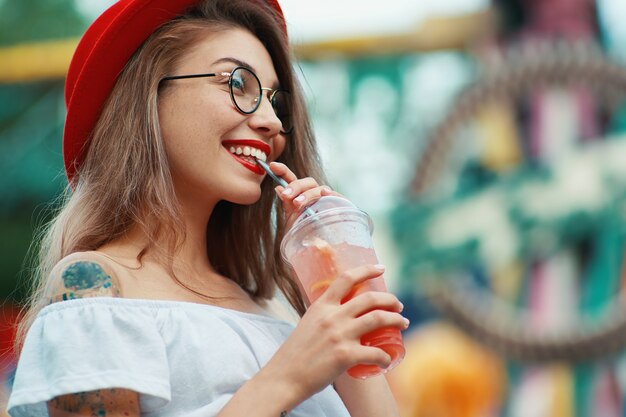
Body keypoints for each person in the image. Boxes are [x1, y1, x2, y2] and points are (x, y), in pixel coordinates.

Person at [7, 0, 409, 416]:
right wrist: (288, 376)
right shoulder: (93, 285)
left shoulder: (281, 309)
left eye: (276, 102)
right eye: (237, 84)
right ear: (147, 96)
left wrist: (327, 277)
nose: (271, 121)